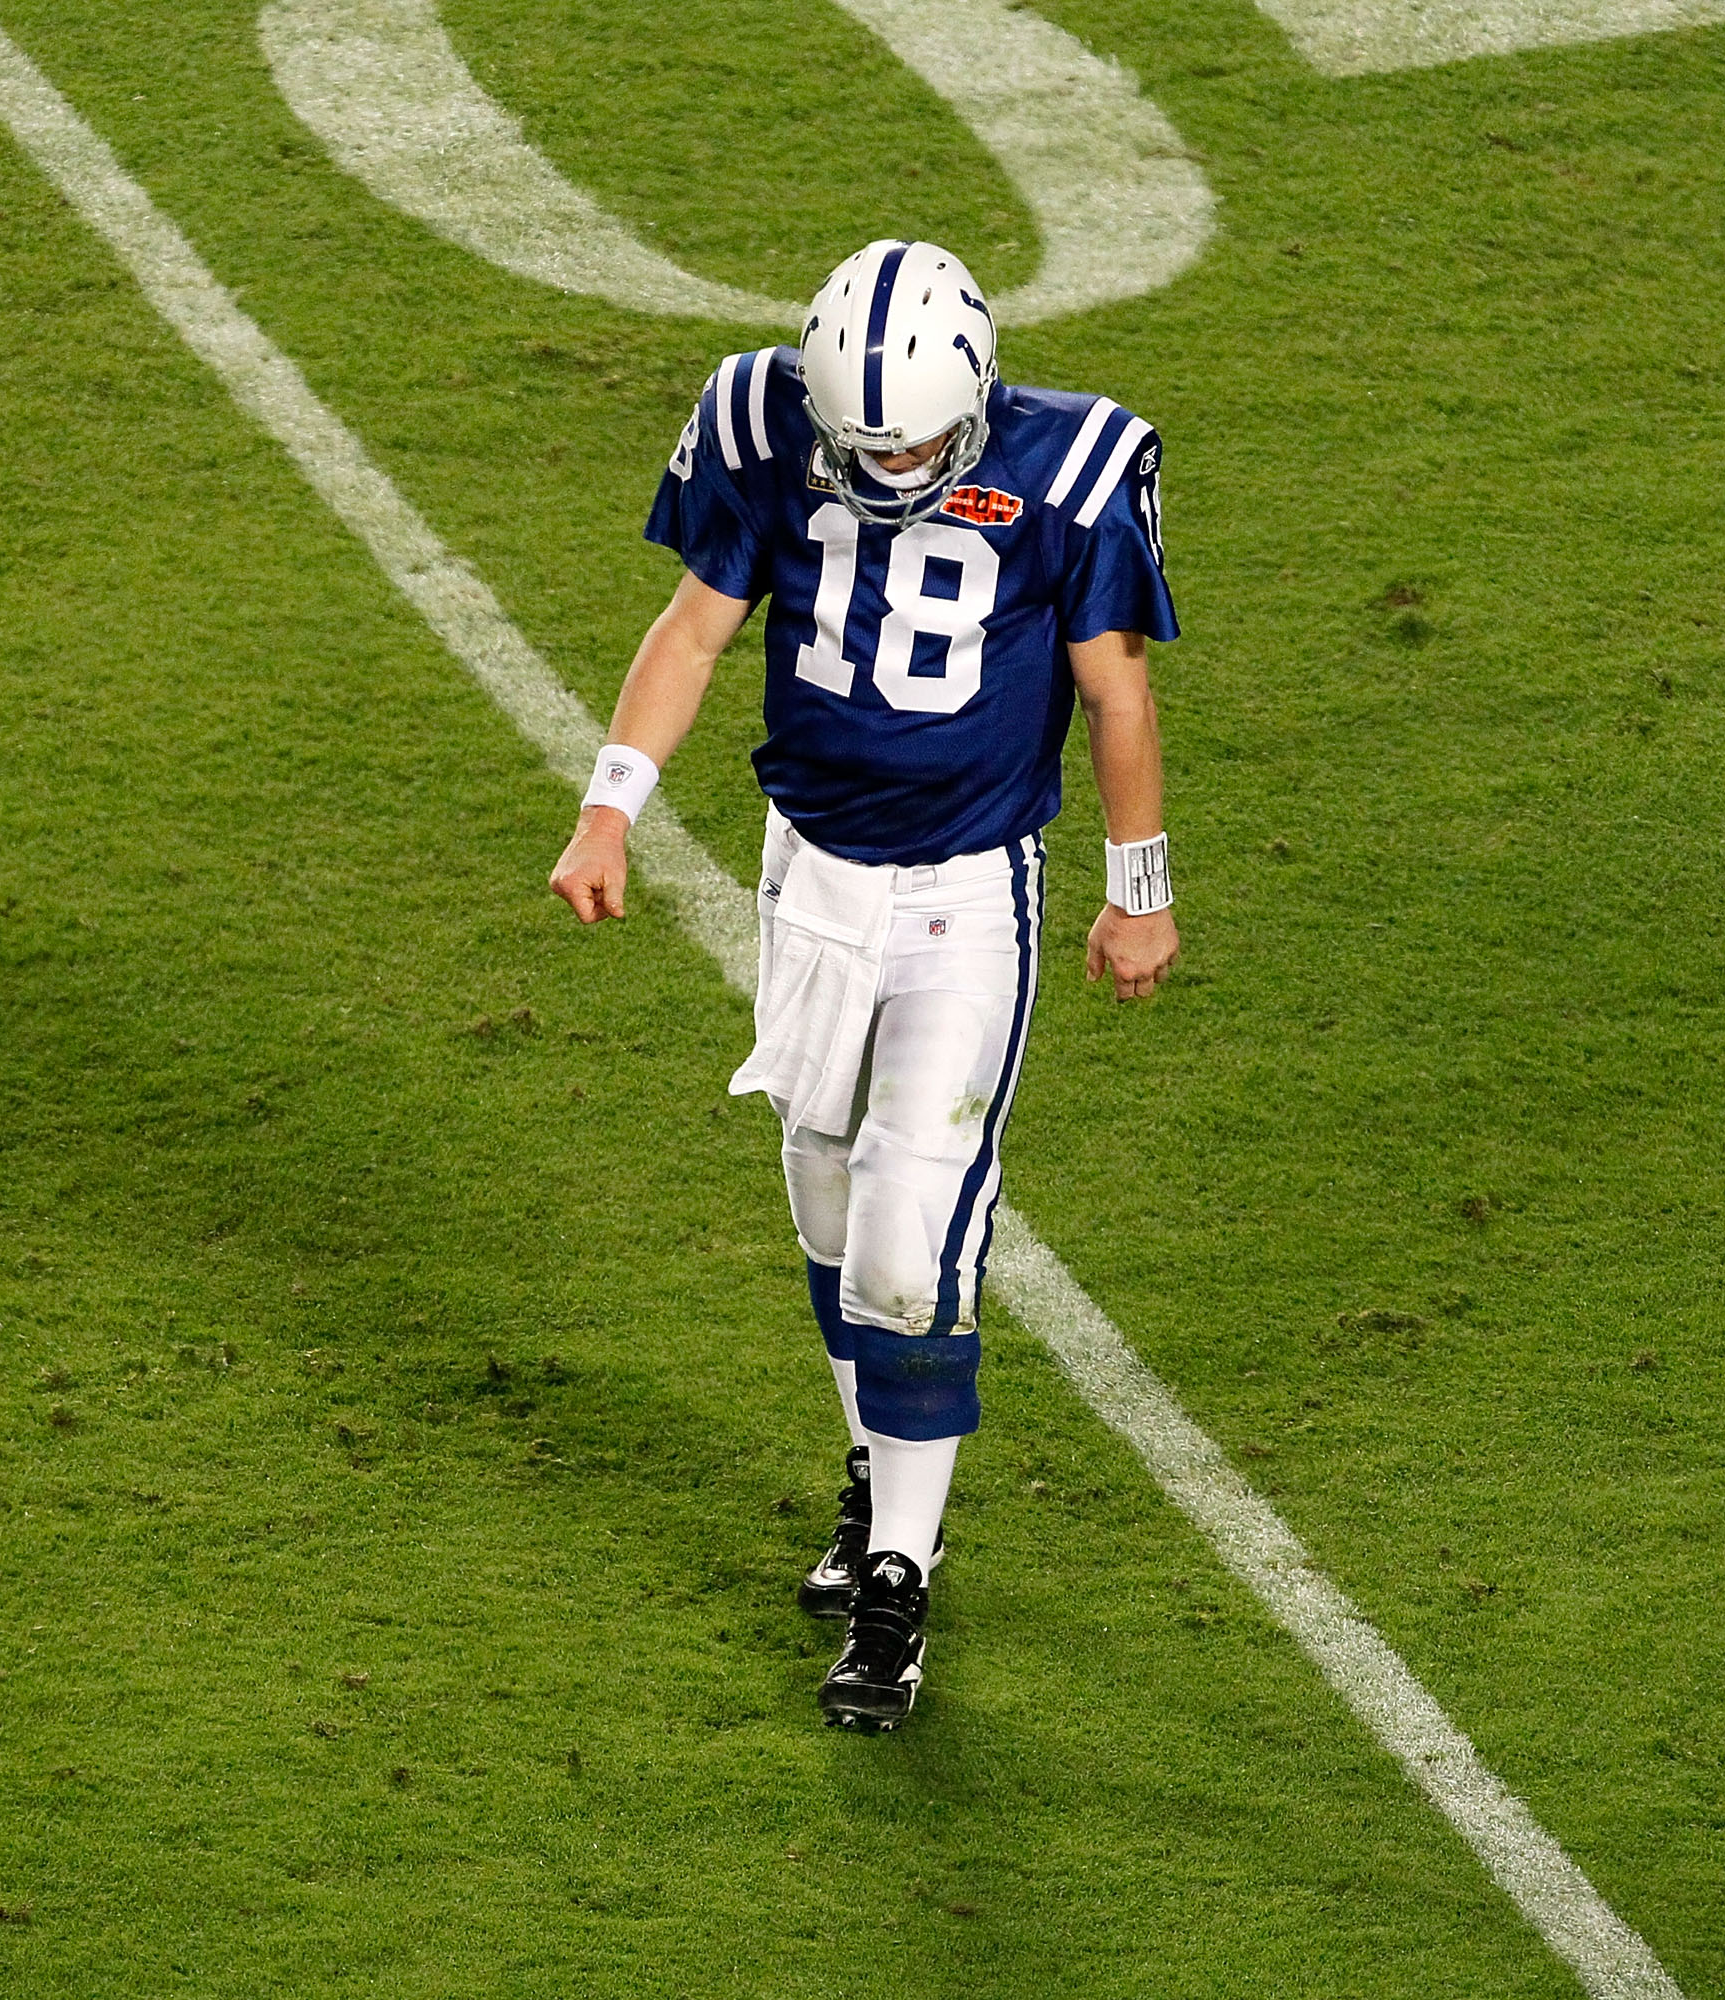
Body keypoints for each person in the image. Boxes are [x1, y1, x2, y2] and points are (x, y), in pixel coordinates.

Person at [548, 240, 1182, 1730]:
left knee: (912, 1233)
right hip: (810, 877)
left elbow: (1115, 692)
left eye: (909, 437)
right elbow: (697, 626)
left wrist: (1138, 889)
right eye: (863, 440)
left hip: (969, 890)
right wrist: (609, 802)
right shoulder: (765, 417)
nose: (885, 463)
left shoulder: (1073, 465)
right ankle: (880, 1474)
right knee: (827, 1195)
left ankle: (896, 1584)